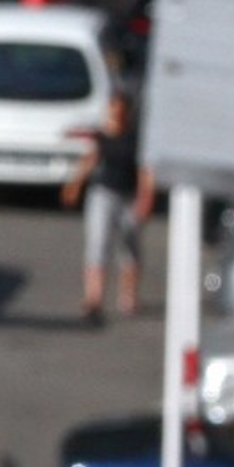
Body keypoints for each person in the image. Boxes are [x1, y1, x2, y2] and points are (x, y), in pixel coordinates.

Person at [63, 87, 155, 324]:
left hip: (129, 195)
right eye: (113, 109)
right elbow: (91, 160)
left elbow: (145, 171)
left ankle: (129, 297)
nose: (116, 114)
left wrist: (145, 198)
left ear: (127, 112)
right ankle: (93, 298)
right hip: (103, 193)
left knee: (130, 246)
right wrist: (75, 184)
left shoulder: (136, 138)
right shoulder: (102, 136)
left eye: (121, 110)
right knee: (98, 243)